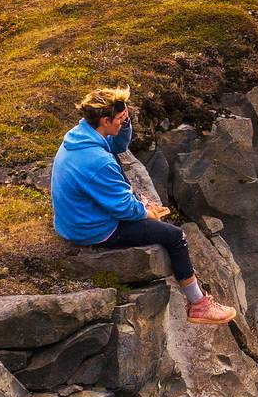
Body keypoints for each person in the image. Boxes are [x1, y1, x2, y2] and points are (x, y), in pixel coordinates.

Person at [52, 86, 236, 325]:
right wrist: (145, 211)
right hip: (92, 230)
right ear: (105, 120)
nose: (123, 123)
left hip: (73, 220)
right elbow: (123, 210)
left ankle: (140, 203)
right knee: (174, 236)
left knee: (117, 168)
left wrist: (125, 125)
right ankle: (198, 304)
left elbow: (117, 147)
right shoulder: (97, 161)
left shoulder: (81, 136)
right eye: (120, 120)